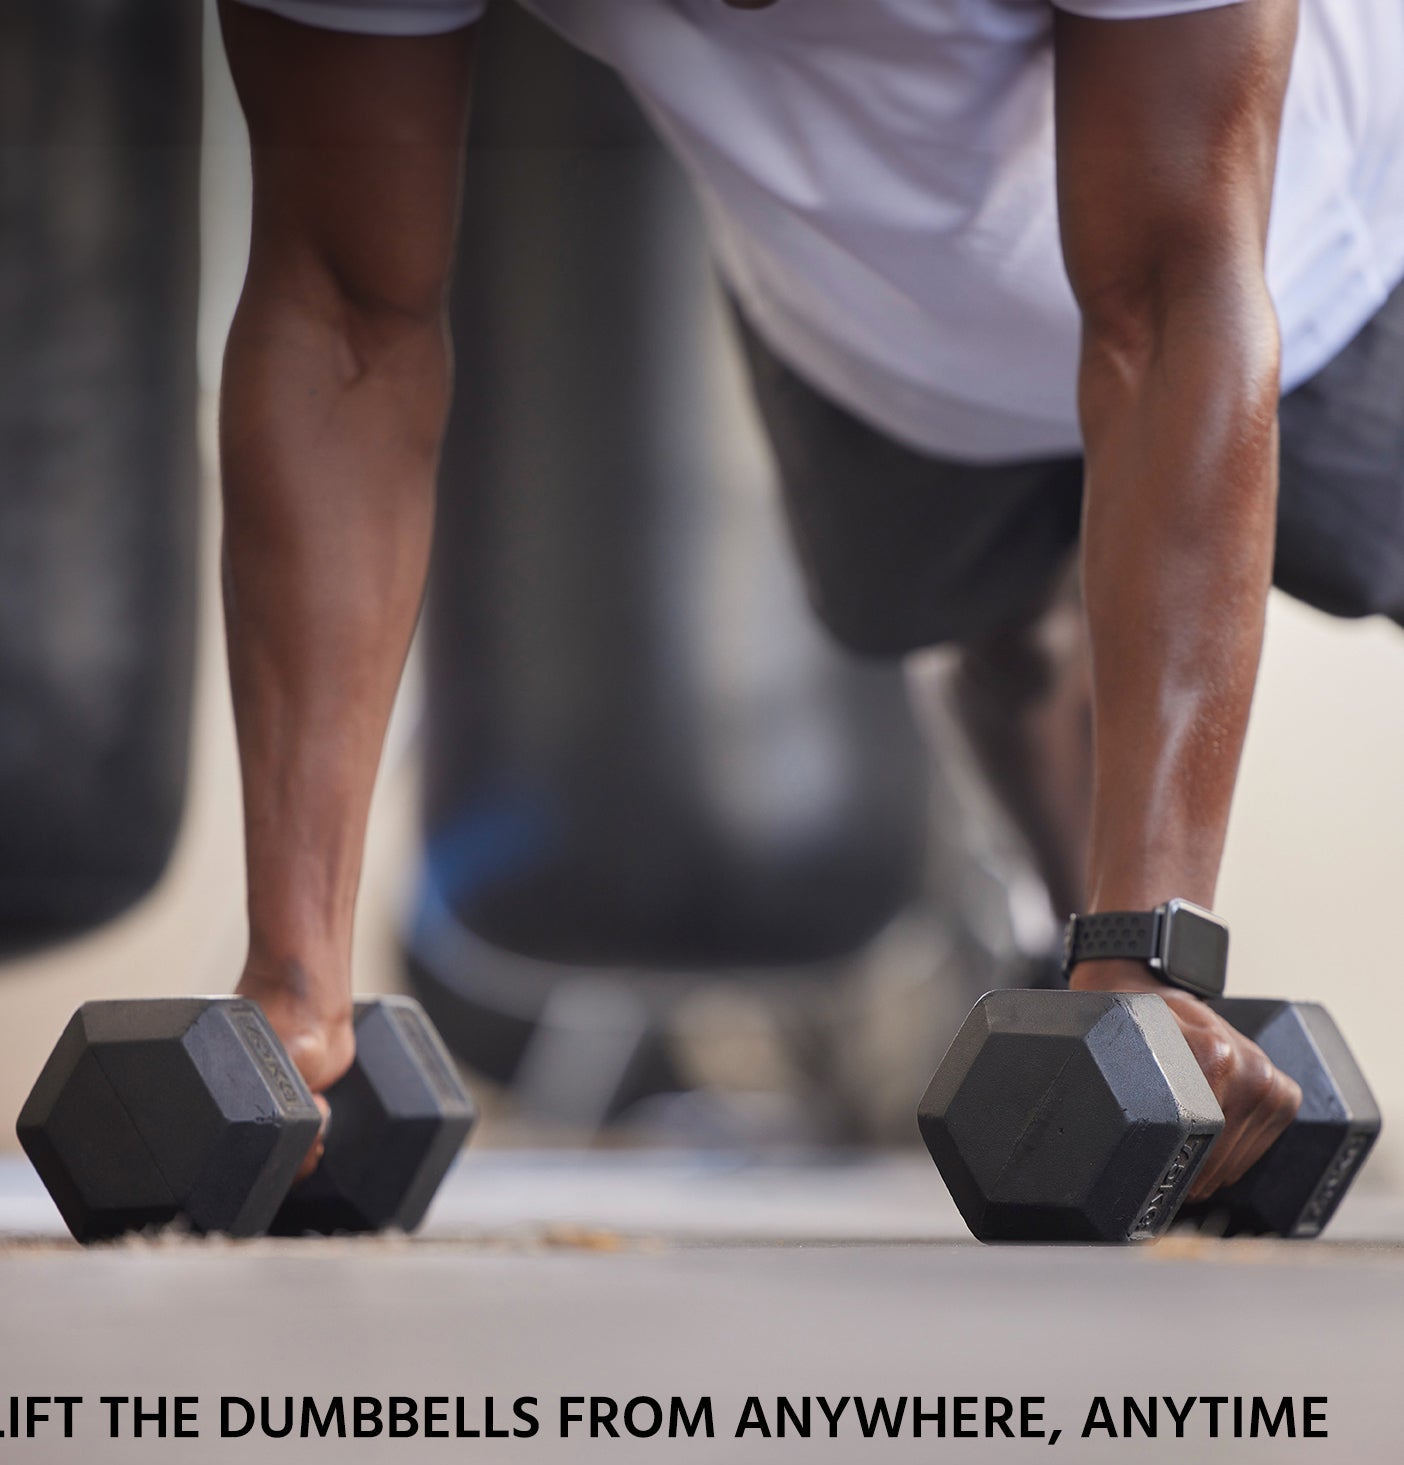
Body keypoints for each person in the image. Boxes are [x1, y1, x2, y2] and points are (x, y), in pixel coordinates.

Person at [214, 0, 1404, 1198]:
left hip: (1322, 243)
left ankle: (1118, 958)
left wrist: (1155, 954)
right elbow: (341, 323)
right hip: (875, 328)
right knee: (995, 629)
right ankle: (1073, 952)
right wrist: (294, 988)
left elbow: (1169, 290)